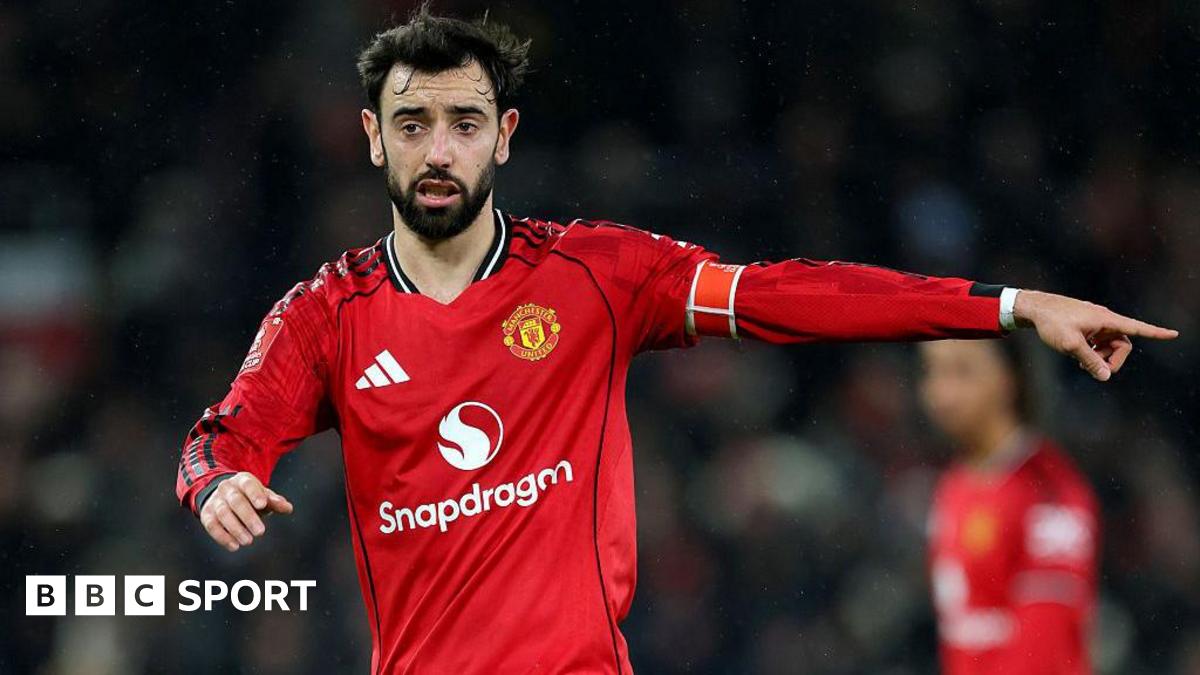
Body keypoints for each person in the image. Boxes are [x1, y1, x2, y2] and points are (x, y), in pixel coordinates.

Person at [174, 8, 1176, 673]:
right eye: (414, 122)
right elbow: (226, 434)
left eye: (465, 123)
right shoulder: (324, 314)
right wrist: (216, 482)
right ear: (370, 135)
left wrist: (1005, 304)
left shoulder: (596, 277)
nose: (439, 150)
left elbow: (796, 296)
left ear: (507, 134)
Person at [920, 338, 1097, 674]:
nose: (941, 392)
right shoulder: (953, 485)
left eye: (962, 371)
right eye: (932, 371)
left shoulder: (1048, 491)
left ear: (1009, 378)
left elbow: (1045, 645)